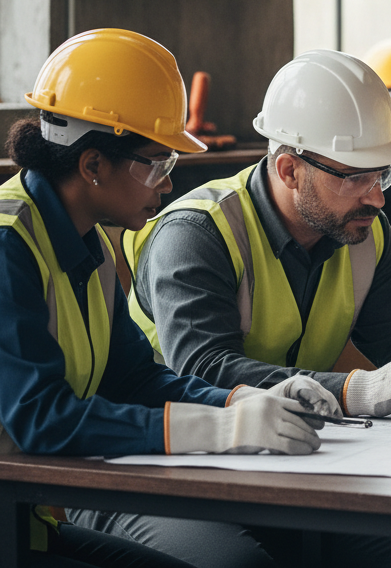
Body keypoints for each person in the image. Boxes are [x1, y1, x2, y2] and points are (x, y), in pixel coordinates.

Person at [119, 49, 391, 568]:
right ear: (288, 169)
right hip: (159, 473)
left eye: (384, 174)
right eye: (356, 176)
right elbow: (203, 368)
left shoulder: (363, 232)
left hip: (293, 468)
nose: (377, 198)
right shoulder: (195, 234)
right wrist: (357, 389)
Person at [0, 28, 335, 568]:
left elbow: (134, 376)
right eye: (156, 164)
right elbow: (42, 419)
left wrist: (241, 400)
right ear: (92, 165)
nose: (166, 186)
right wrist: (221, 431)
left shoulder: (91, 244)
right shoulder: (9, 245)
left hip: (26, 527)